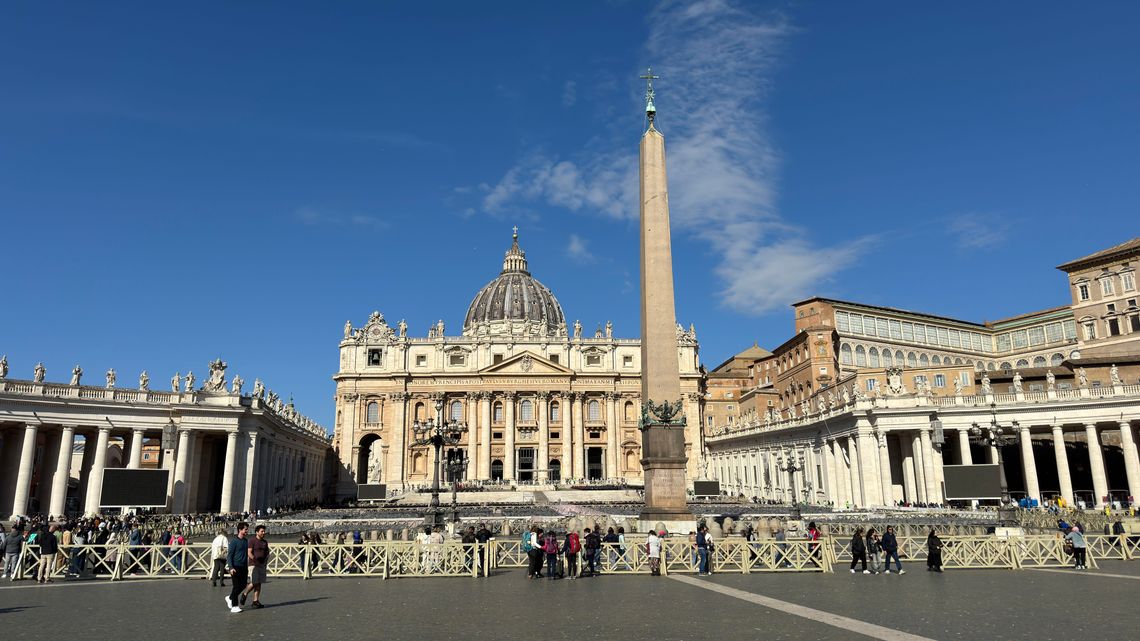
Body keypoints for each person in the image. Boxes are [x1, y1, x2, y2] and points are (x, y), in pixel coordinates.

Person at [242, 525, 270, 608]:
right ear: (257, 532)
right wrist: (255, 560)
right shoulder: (252, 540)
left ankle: (255, 601)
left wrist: (265, 561)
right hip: (253, 564)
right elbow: (249, 552)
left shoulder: (265, 542)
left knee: (259, 583)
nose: (263, 533)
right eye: (262, 531)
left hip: (262, 565)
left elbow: (267, 553)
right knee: (254, 581)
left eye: (264, 531)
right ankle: (245, 594)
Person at [225, 522, 249, 614]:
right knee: (236, 586)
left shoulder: (246, 541)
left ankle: (230, 597)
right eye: (245, 529)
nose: (247, 531)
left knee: (243, 585)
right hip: (235, 566)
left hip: (243, 566)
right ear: (240, 530)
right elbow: (229, 555)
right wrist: (231, 567)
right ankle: (234, 606)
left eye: (247, 529)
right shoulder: (234, 541)